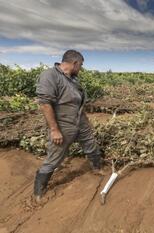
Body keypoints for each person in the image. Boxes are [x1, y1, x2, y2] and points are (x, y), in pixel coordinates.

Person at [34, 50, 103, 202]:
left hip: (80, 122)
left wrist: (85, 120)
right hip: (63, 125)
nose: (81, 68)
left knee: (91, 144)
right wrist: (54, 129)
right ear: (75, 63)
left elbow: (78, 103)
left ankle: (97, 168)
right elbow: (45, 104)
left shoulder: (72, 79)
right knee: (54, 158)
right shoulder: (50, 75)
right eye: (81, 65)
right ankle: (39, 192)